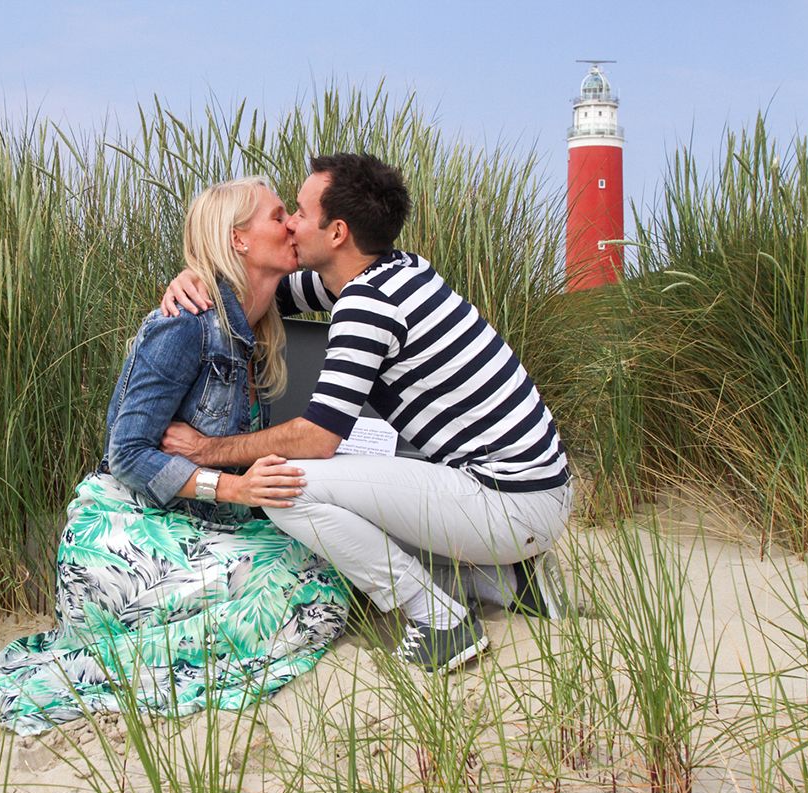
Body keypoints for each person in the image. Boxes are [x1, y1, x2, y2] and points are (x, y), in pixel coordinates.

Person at [0, 177, 351, 736]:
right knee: (302, 586)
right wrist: (233, 488)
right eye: (278, 215)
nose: (291, 225)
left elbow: (356, 274)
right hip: (126, 530)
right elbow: (127, 452)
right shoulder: (184, 324)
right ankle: (98, 666)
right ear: (238, 240)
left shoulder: (256, 315)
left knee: (320, 573)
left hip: (195, 525)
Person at [159, 153, 571, 673]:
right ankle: (509, 583)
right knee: (349, 500)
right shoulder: (398, 269)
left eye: (302, 213)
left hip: (508, 504)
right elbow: (260, 293)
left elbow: (317, 439)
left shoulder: (368, 304)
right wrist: (191, 277)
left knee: (286, 488)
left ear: (336, 233)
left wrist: (208, 450)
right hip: (537, 492)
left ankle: (439, 622)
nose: (290, 224)